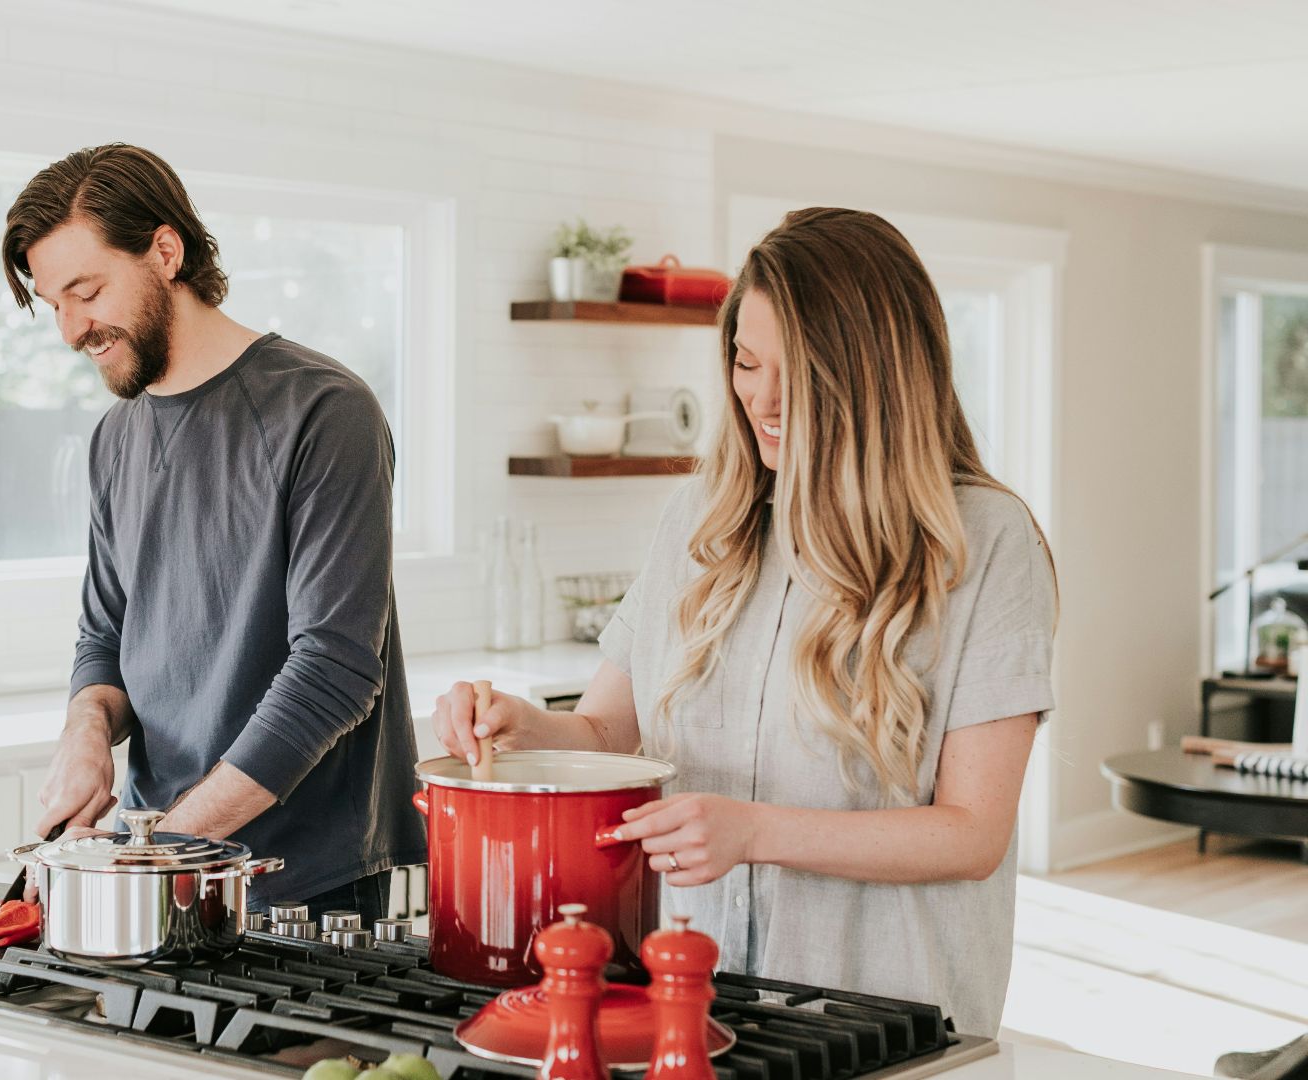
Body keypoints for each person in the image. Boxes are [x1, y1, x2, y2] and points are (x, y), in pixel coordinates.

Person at [432, 207, 1057, 1036]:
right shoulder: (701, 518)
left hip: (878, 1018)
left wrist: (756, 831)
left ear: (877, 373)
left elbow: (972, 833)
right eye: (745, 361)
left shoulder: (985, 542)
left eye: (795, 370)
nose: (762, 398)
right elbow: (613, 732)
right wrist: (525, 730)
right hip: (691, 1002)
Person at [2, 143, 425, 927]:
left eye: (85, 292)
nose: (70, 330)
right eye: (52, 302)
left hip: (306, 885)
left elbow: (335, 670)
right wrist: (86, 733)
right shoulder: (115, 437)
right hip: (152, 863)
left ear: (166, 251)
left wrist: (162, 850)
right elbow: (106, 637)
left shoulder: (325, 411)